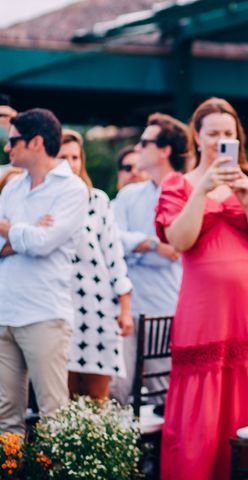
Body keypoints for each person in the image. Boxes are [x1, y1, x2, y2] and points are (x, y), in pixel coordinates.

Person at [156, 97, 248, 480]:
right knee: (201, 399)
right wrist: (202, 191)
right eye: (213, 133)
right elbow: (179, 240)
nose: (220, 140)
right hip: (203, 311)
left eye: (228, 134)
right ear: (197, 137)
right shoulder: (177, 184)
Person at [0, 109, 88, 433]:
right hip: (5, 311)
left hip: (44, 313)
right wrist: (25, 232)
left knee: (54, 415)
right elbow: (33, 240)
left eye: (13, 141)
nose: (7, 149)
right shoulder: (11, 188)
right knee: (6, 416)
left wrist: (8, 229)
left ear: (35, 142)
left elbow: (43, 243)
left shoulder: (72, 190)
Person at [109, 114, 184, 405]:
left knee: (161, 391)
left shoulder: (182, 191)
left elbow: (175, 251)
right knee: (119, 389)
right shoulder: (128, 194)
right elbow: (114, 239)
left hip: (165, 304)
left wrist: (135, 246)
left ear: (165, 150)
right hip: (126, 307)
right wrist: (153, 244)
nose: (137, 148)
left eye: (144, 142)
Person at [58, 129, 134, 400]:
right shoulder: (46, 202)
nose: (70, 163)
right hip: (58, 308)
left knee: (96, 396)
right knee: (61, 396)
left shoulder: (98, 200)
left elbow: (115, 258)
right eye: (62, 157)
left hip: (97, 309)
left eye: (75, 157)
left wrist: (125, 308)